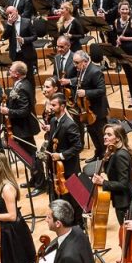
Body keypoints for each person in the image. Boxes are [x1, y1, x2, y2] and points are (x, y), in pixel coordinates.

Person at [0, 61, 43, 192]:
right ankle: (34, 179)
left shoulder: (23, 87)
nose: (9, 72)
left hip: (24, 128)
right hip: (21, 128)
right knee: (27, 155)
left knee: (31, 156)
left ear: (17, 74)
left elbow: (24, 111)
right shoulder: (21, 84)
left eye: (11, 70)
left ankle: (41, 183)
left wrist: (8, 111)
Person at [45, 94, 84, 225]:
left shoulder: (70, 124)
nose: (51, 107)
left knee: (73, 199)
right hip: (57, 168)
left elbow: (78, 146)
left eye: (54, 105)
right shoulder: (53, 121)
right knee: (62, 196)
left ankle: (79, 224)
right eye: (51, 104)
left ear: (62, 106)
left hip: (69, 167)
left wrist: (61, 155)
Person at [92, 124, 132, 225]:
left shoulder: (120, 156)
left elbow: (123, 184)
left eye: (109, 134)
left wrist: (103, 182)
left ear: (118, 138)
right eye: (105, 134)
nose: (105, 137)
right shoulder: (115, 152)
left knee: (125, 232)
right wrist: (107, 159)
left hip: (124, 202)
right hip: (121, 200)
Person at [72, 51, 109, 161]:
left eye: (76, 62)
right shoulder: (81, 70)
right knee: (92, 133)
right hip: (87, 110)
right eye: (74, 62)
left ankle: (105, 158)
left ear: (85, 61)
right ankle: (98, 154)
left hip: (97, 110)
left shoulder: (95, 71)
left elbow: (102, 90)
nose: (75, 65)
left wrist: (86, 93)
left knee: (101, 136)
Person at [112, 0, 132, 107]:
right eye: (123, 9)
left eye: (126, 9)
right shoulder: (116, 21)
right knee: (128, 75)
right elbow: (118, 35)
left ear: (129, 10)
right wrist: (118, 40)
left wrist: (125, 38)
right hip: (122, 52)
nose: (125, 11)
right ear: (119, 10)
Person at [2, 5, 38, 76]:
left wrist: (24, 39)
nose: (9, 15)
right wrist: (9, 24)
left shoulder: (27, 22)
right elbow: (4, 37)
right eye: (8, 14)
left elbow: (34, 37)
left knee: (29, 76)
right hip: (15, 55)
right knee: (17, 76)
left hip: (26, 53)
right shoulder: (8, 23)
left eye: (11, 12)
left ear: (17, 11)